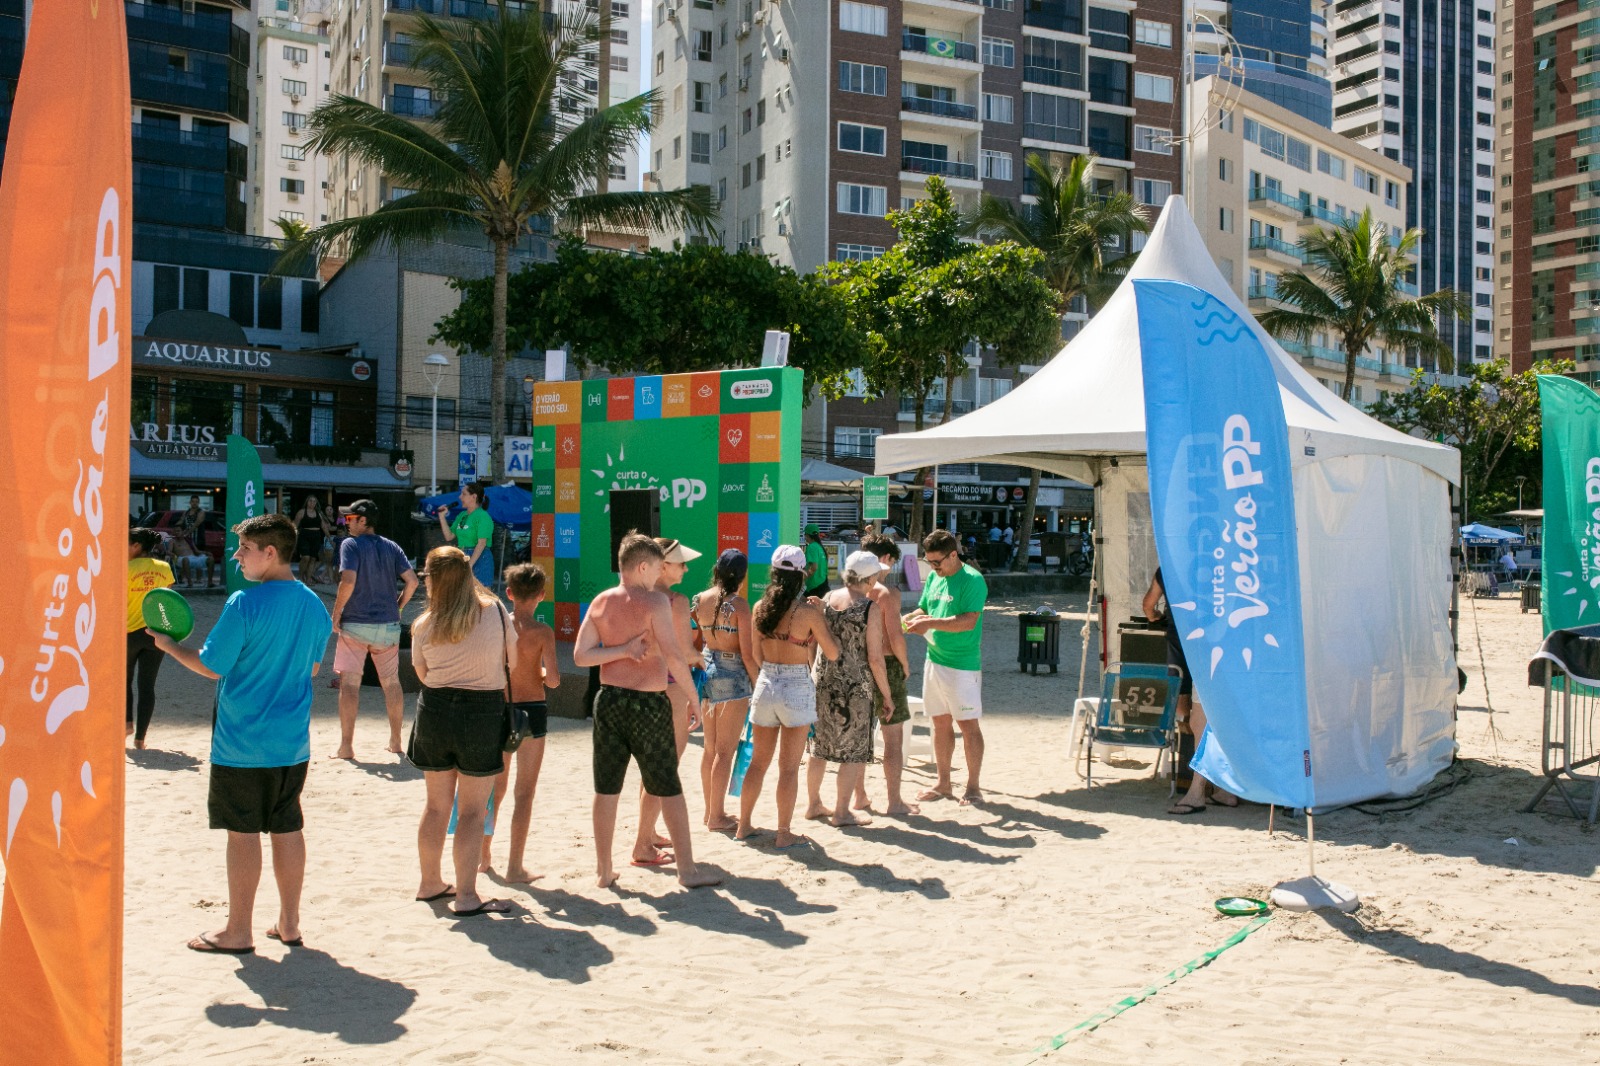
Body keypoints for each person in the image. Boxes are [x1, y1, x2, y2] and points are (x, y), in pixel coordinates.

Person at [149, 514, 332, 953]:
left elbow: (212, 667)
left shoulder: (243, 604)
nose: (236, 556)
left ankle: (238, 931)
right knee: (288, 827)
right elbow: (310, 670)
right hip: (292, 742)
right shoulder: (314, 604)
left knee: (243, 834)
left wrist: (169, 646)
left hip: (243, 743)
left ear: (270, 552)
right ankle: (289, 924)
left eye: (244, 549)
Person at [573, 533, 720, 889]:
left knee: (606, 788)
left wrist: (621, 649)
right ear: (642, 566)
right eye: (656, 567)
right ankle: (687, 870)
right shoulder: (655, 601)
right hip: (648, 703)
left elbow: (582, 657)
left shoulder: (601, 601)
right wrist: (691, 697)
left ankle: (604, 871)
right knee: (668, 785)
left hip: (608, 701)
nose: (658, 574)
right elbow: (673, 654)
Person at [409, 546, 520, 915]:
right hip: (482, 710)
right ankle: (467, 895)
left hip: (435, 709)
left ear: (432, 579)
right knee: (473, 810)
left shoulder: (424, 622)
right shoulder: (496, 614)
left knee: (436, 806)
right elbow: (513, 663)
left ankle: (429, 883)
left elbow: (422, 674)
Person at [737, 545, 840, 849]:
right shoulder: (807, 612)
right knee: (789, 767)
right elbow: (832, 652)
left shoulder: (759, 608)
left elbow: (755, 655)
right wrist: (822, 618)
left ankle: (743, 826)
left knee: (757, 763)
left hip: (767, 681)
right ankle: (783, 833)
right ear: (801, 576)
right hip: (796, 685)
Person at [805, 551, 895, 829]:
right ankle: (841, 812)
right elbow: (875, 658)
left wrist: (814, 672)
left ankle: (813, 804)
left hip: (823, 681)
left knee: (818, 748)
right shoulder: (869, 608)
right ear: (868, 578)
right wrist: (887, 695)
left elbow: (813, 643)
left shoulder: (828, 600)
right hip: (855, 687)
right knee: (853, 751)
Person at [483, 562, 560, 883]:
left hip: (500, 708)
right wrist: (538, 673)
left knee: (492, 790)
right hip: (532, 711)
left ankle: (483, 855)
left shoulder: (498, 627)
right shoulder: (543, 633)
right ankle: (515, 865)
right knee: (523, 793)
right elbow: (554, 680)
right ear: (541, 595)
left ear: (509, 593)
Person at [902, 529, 988, 805]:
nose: (933, 568)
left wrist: (929, 623)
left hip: (962, 665)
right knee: (939, 724)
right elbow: (924, 608)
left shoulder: (973, 580)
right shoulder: (935, 579)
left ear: (954, 554)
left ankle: (973, 786)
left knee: (968, 726)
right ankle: (943, 783)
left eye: (937, 562)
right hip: (934, 659)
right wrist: (909, 618)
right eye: (929, 563)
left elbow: (968, 621)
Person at [328, 499, 419, 760]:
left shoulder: (351, 545)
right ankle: (396, 742)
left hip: (355, 624)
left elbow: (348, 580)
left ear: (363, 520)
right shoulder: (391, 547)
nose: (347, 523)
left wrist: (337, 613)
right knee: (391, 684)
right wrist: (397, 607)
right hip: (387, 626)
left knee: (349, 685)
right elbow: (411, 582)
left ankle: (346, 746)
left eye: (350, 518)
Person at [632, 537, 703, 865]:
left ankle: (648, 834)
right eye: (681, 563)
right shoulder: (675, 601)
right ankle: (642, 845)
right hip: (668, 686)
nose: (686, 568)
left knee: (651, 768)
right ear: (663, 565)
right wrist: (704, 661)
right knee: (665, 768)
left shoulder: (635, 595)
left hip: (636, 686)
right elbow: (684, 653)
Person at [1145, 567, 1237, 815]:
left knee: (1197, 721)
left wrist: (1155, 616)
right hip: (1223, 648)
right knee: (1209, 720)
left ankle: (1198, 791)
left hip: (1198, 652)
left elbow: (1148, 605)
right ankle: (1223, 789)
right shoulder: (1225, 563)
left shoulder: (1171, 566)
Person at [692, 549, 759, 832]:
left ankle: (710, 811)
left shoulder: (699, 600)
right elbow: (746, 653)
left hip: (708, 669)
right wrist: (759, 683)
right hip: (733, 675)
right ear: (742, 577)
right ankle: (717, 816)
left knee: (710, 750)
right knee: (724, 751)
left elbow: (696, 642)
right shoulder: (740, 606)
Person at [861, 534, 916, 815]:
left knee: (859, 736)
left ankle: (859, 796)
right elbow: (895, 636)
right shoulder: (887, 592)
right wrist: (905, 664)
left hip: (856, 666)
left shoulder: (849, 591)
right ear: (885, 559)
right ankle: (894, 800)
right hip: (885, 663)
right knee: (892, 738)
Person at [127, 527, 175, 750]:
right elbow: (169, 601)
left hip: (127, 634)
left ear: (136, 546)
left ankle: (127, 724)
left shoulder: (123, 568)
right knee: (147, 686)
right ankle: (140, 739)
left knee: (123, 683)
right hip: (156, 633)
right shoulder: (164, 568)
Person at [438, 480, 496, 588]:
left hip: (480, 558)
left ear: (474, 497)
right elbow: (449, 536)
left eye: (464, 494)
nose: (460, 497)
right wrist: (442, 517)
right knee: (462, 594)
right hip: (463, 555)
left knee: (481, 596)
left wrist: (470, 564)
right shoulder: (462, 515)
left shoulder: (483, 516)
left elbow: (482, 543)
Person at [292, 494, 333, 586]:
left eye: (314, 501)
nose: (312, 503)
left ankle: (308, 579)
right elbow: (295, 526)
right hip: (304, 535)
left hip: (316, 536)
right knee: (306, 557)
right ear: (307, 502)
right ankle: (301, 575)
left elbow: (324, 527)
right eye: (310, 501)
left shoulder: (318, 513)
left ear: (316, 503)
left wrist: (330, 539)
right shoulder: (302, 512)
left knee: (313, 559)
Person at [802, 523, 831, 599]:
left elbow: (814, 567)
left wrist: (804, 578)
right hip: (823, 583)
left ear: (807, 535)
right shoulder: (820, 547)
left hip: (814, 586)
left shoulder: (811, 547)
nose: (804, 537)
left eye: (805, 534)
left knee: (799, 606)